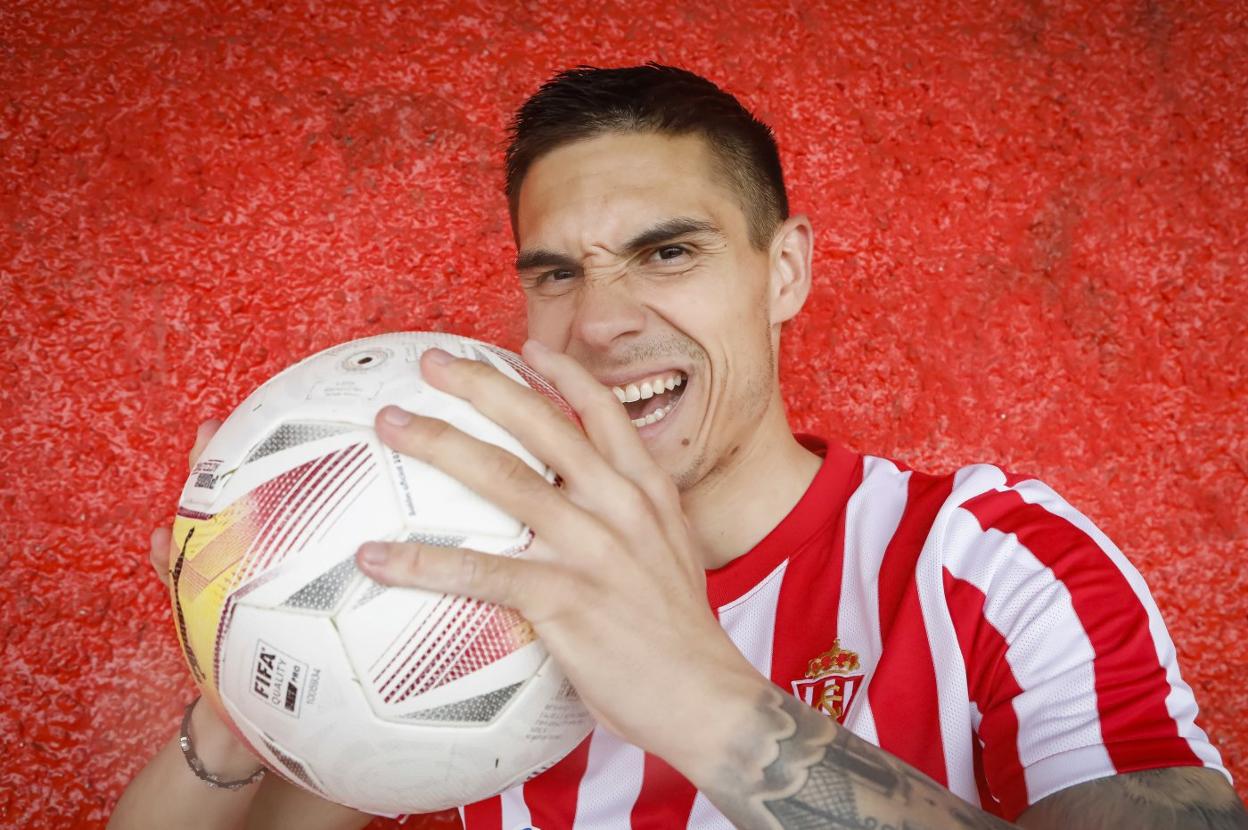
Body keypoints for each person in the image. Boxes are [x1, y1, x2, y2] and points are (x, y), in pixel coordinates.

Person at [110, 64, 1247, 830]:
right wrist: (246, 678)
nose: (599, 320)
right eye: (555, 271)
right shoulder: (458, 602)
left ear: (785, 270)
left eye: (667, 252)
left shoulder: (991, 561)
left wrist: (706, 705)